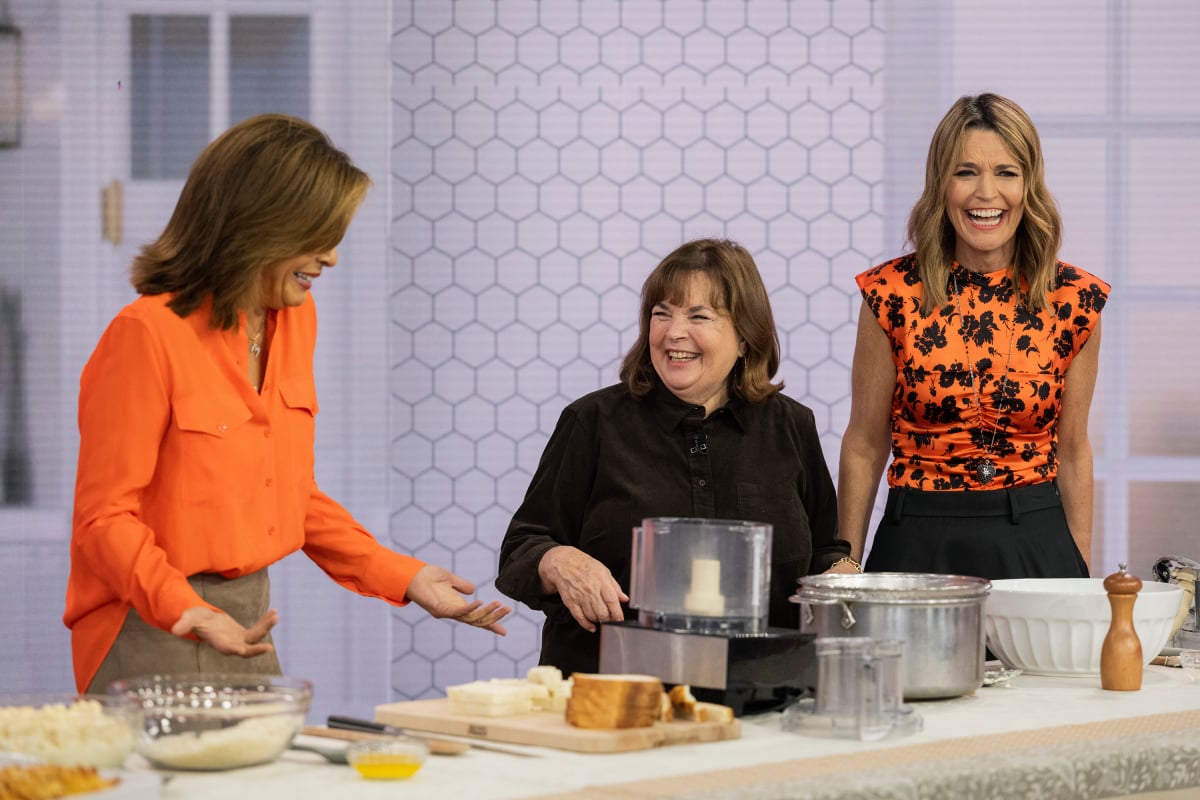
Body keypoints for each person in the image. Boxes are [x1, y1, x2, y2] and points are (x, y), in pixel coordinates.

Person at [65, 114, 510, 694]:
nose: (331, 258)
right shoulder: (146, 334)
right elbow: (103, 520)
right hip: (149, 619)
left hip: (248, 616)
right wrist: (184, 608)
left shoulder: (295, 320)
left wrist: (405, 578)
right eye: (317, 235)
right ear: (258, 228)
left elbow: (290, 496)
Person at [496, 238, 855, 678]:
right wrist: (557, 561)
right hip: (611, 694)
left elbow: (824, 550)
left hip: (761, 694)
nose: (673, 332)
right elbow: (521, 549)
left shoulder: (792, 426)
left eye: (698, 316)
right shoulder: (593, 422)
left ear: (746, 337)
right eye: (661, 313)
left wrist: (847, 578)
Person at [839, 93, 1109, 581]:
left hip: (1036, 542)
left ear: (1029, 185)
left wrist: (1080, 574)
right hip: (915, 540)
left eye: (1006, 172)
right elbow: (863, 443)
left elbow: (1072, 451)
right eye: (966, 172)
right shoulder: (889, 294)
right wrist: (846, 560)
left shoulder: (1075, 299)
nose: (987, 193)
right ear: (941, 185)